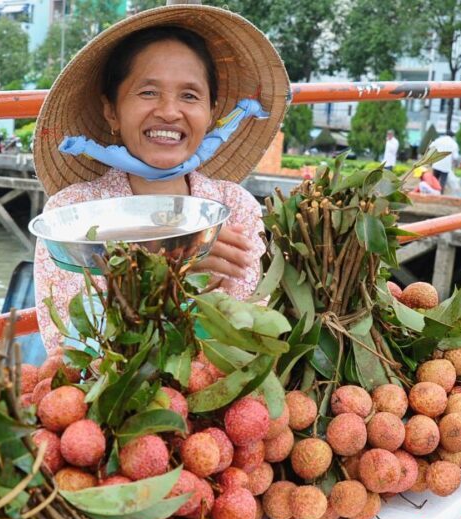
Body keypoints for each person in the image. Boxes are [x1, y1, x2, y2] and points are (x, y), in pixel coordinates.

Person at [31, 5, 289, 355]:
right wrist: (169, 272)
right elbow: (72, 351)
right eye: (148, 92)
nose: (169, 111)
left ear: (211, 112)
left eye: (190, 95)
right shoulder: (73, 213)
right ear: (112, 111)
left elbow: (251, 339)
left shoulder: (235, 208)